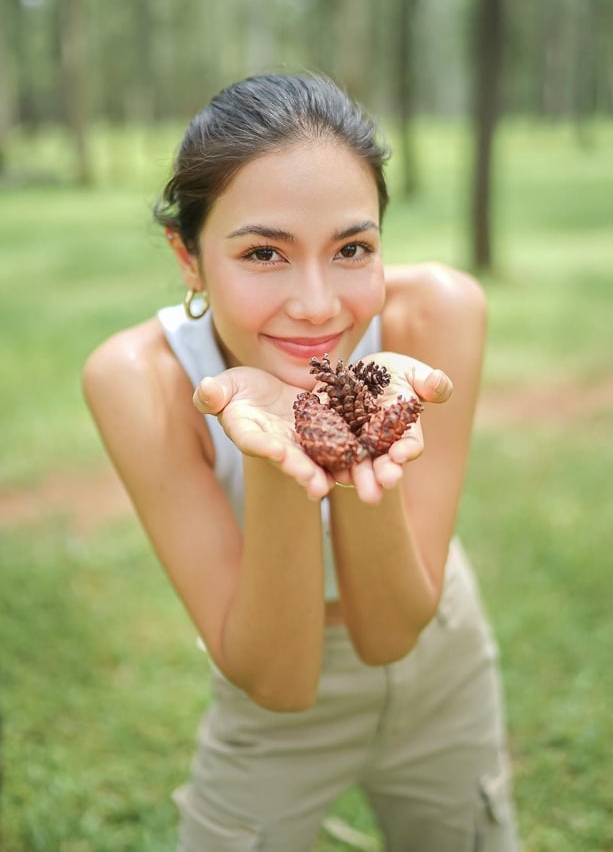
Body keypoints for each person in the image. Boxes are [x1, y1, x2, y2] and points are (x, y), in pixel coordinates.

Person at [83, 72, 519, 851]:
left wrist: (344, 435)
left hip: (438, 663)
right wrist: (275, 447)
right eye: (264, 253)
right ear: (188, 257)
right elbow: (281, 682)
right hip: (267, 681)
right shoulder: (137, 379)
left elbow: (391, 632)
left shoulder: (439, 314)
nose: (318, 304)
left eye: (352, 247)